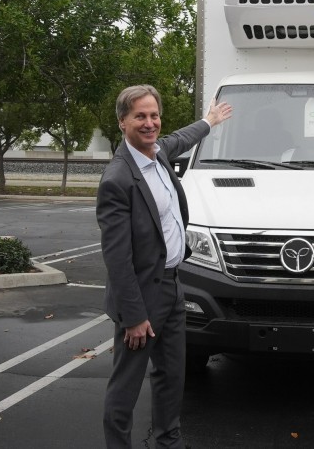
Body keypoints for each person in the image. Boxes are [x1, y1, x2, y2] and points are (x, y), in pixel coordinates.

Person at [97, 84, 232, 449]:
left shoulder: (157, 153)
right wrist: (134, 316)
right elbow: (117, 258)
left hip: (173, 287)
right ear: (123, 122)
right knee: (126, 385)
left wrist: (209, 121)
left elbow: (182, 138)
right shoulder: (117, 180)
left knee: (172, 377)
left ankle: (169, 442)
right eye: (140, 116)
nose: (150, 123)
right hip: (141, 297)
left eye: (154, 115)